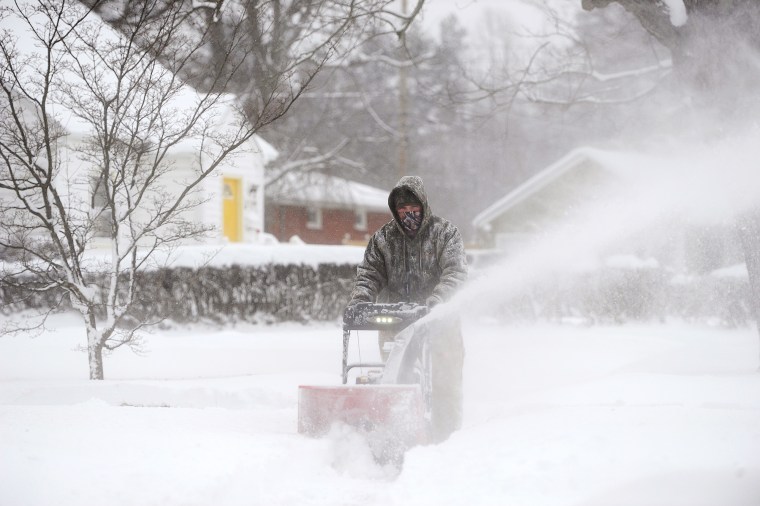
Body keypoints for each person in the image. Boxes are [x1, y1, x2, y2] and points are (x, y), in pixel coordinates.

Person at [347, 175, 468, 441]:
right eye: (402, 210)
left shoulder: (445, 233)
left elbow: (455, 273)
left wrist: (437, 301)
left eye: (413, 209)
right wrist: (361, 299)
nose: (408, 215)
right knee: (396, 379)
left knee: (444, 381)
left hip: (440, 320)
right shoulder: (384, 239)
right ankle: (397, 432)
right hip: (396, 320)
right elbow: (369, 273)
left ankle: (444, 437)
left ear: (423, 206)